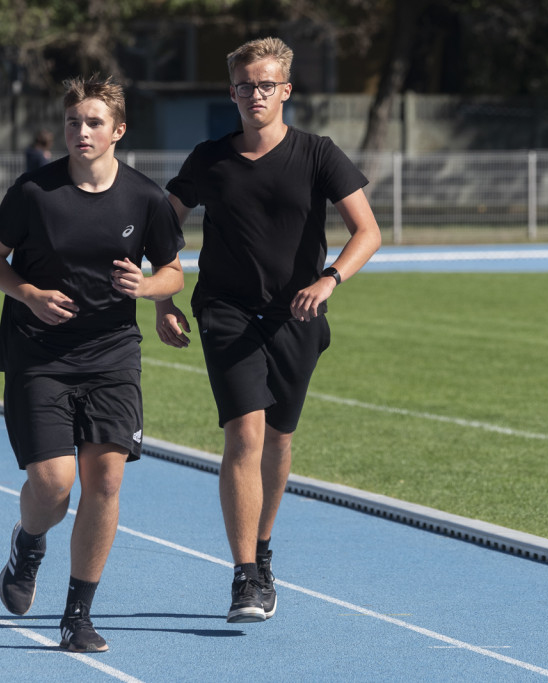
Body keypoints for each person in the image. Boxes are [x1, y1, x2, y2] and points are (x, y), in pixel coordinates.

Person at [155, 37, 382, 623]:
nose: (254, 94)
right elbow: (163, 233)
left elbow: (368, 232)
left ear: (285, 90)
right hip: (227, 314)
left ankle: (262, 549)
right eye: (244, 85)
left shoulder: (318, 154)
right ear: (231, 92)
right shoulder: (208, 159)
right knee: (244, 437)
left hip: (297, 315)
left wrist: (330, 279)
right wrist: (163, 299)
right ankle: (244, 577)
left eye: (265, 84)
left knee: (278, 441)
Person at [0, 75, 185, 653]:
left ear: (118, 130)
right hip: (38, 355)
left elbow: (173, 271)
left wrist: (149, 291)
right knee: (53, 486)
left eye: (93, 122)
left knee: (107, 479)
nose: (81, 131)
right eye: (73, 121)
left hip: (113, 353)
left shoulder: (145, 197)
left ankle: (77, 614)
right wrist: (28, 294)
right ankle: (28, 543)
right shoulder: (34, 191)